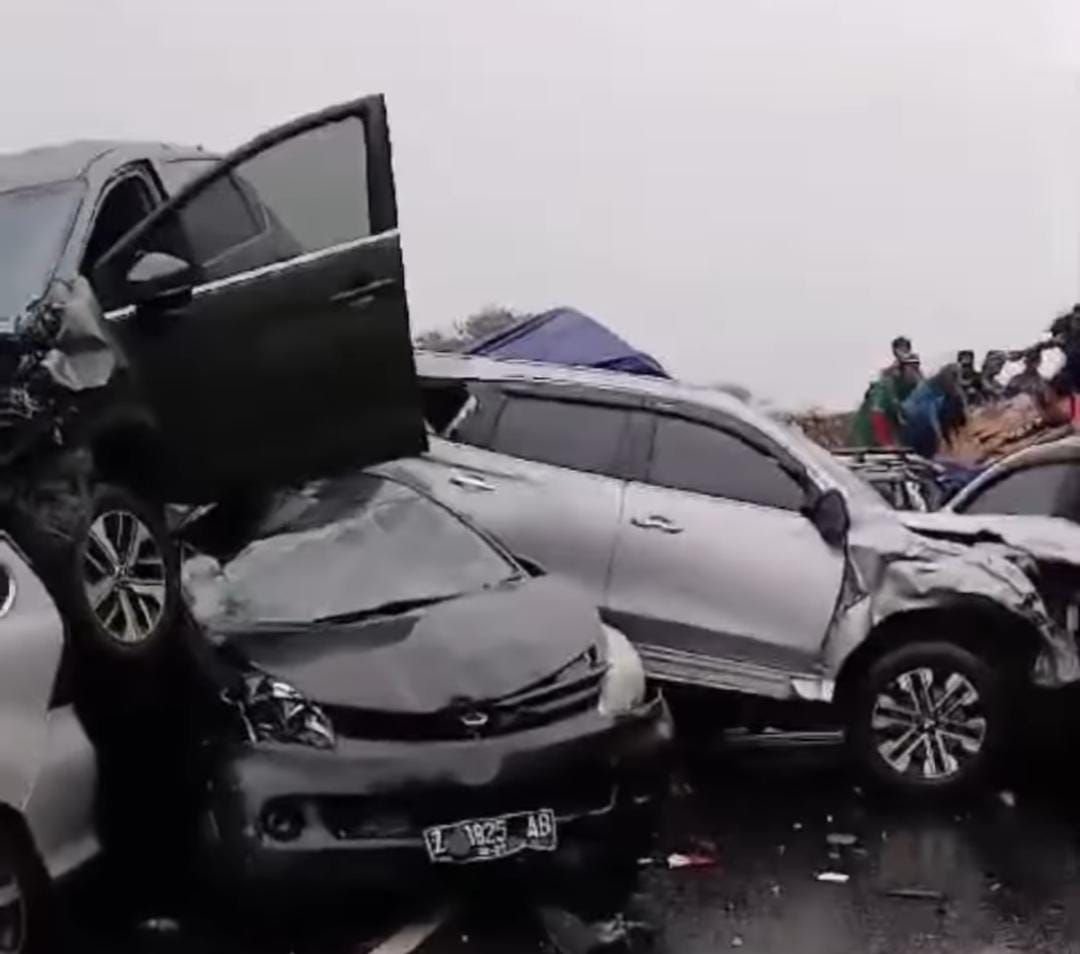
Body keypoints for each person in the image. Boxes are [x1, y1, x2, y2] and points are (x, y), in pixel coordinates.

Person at [850, 354, 921, 447]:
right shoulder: (887, 386)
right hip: (871, 426)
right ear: (902, 369)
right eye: (911, 368)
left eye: (916, 367)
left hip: (893, 424)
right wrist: (887, 443)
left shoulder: (914, 385)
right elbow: (878, 413)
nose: (914, 371)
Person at [901, 364, 966, 458]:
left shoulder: (949, 390)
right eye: (954, 377)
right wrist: (939, 436)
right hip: (916, 422)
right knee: (928, 433)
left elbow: (961, 404)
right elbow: (929, 415)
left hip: (927, 418)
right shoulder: (929, 389)